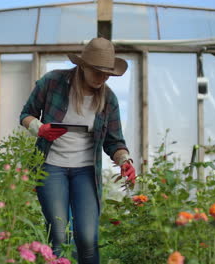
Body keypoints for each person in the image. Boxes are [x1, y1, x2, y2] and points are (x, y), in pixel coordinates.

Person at [19, 37, 136, 264]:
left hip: (85, 171)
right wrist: (40, 128)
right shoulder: (52, 82)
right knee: (60, 236)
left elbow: (114, 142)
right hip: (51, 167)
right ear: (82, 66)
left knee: (87, 237)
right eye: (97, 71)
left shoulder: (109, 99)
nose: (103, 78)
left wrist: (125, 160)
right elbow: (26, 114)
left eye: (107, 73)